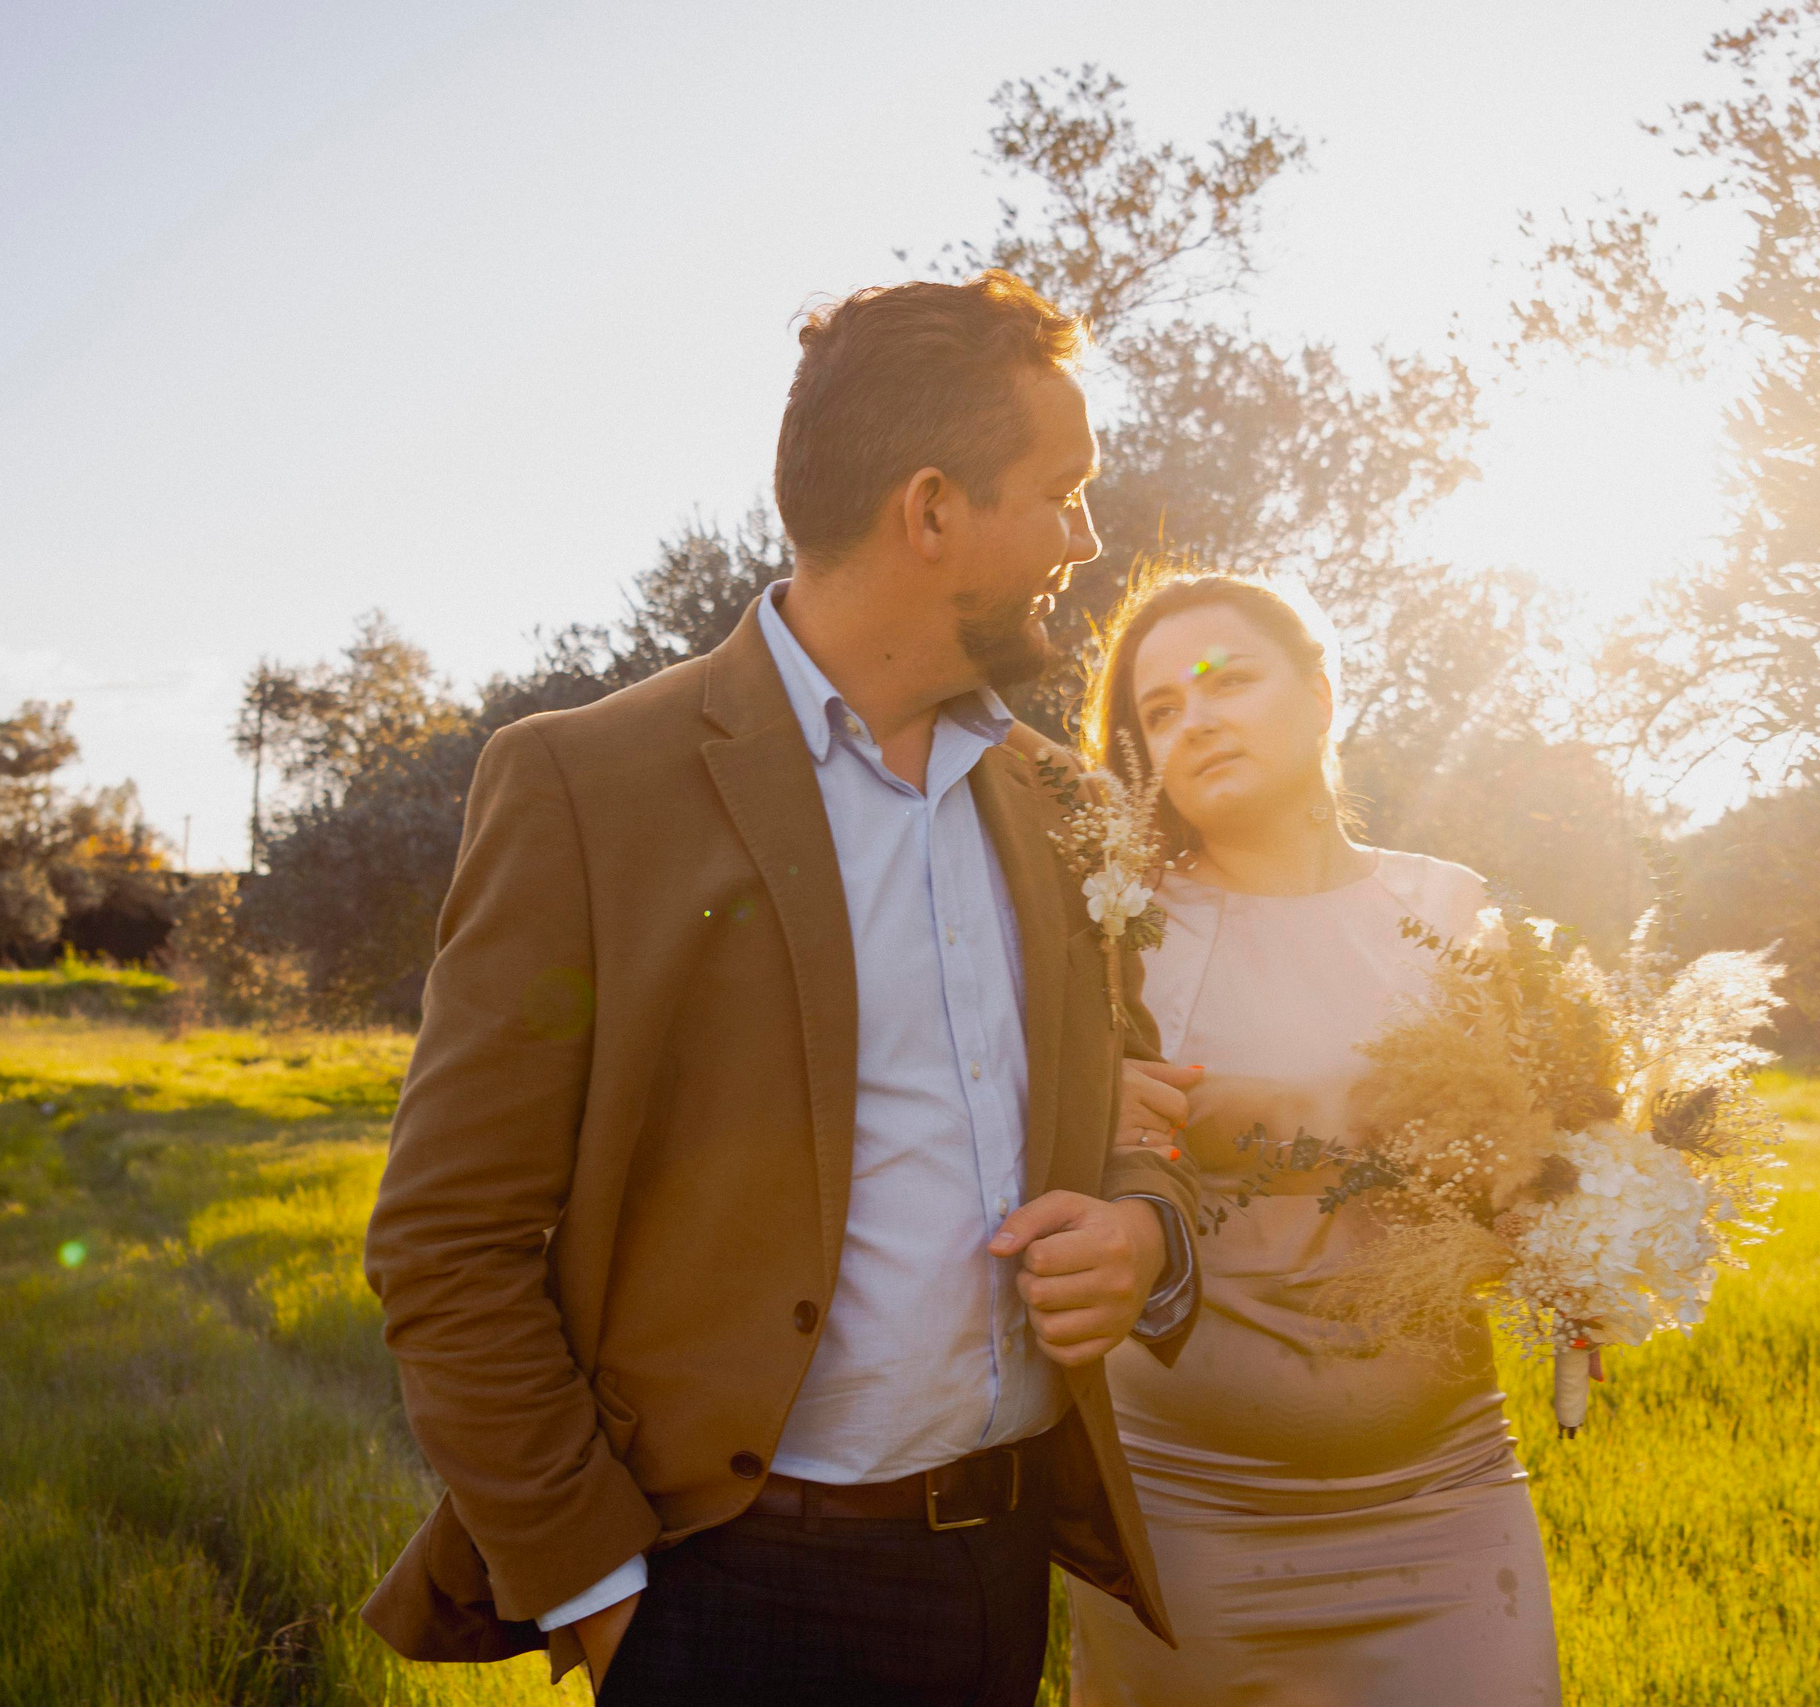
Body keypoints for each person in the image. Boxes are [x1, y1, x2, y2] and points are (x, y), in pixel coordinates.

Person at [359, 271, 1204, 1705]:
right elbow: (449, 1242)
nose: (1089, 536)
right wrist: (613, 1609)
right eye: (1063, 491)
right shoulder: (584, 783)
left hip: (1001, 1563)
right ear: (929, 511)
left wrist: (1144, 1229)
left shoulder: (1065, 805)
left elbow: (1133, 1096)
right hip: (723, 1595)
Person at [1068, 569, 1564, 1705]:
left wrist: (1570, 1224)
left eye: (1225, 681)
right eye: (1160, 710)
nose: (1195, 720)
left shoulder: (1446, 913)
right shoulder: (1114, 937)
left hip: (1444, 1504)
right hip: (1187, 1526)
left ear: (1322, 691)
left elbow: (1534, 1160)